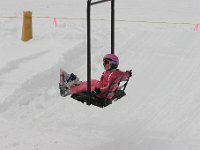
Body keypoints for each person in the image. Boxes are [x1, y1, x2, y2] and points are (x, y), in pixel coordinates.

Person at [59, 53, 132, 99]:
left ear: (113, 63)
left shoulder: (111, 75)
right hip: (102, 85)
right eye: (104, 62)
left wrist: (98, 91)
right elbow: (124, 75)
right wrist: (128, 73)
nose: (104, 64)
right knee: (92, 81)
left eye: (106, 62)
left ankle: (68, 91)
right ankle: (78, 84)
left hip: (103, 94)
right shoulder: (117, 72)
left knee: (86, 87)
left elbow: (107, 88)